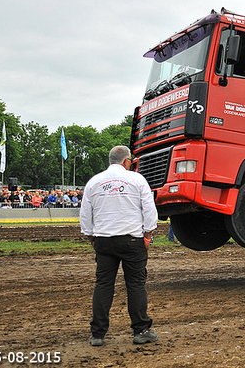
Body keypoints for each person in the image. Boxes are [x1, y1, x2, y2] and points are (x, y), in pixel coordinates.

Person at [80, 145, 159, 347]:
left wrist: (92, 238)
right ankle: (141, 330)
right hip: (132, 239)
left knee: (103, 285)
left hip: (104, 239)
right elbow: (149, 210)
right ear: (127, 161)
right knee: (136, 285)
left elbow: (85, 214)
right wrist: (148, 235)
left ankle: (97, 334)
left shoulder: (94, 182)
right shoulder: (137, 179)